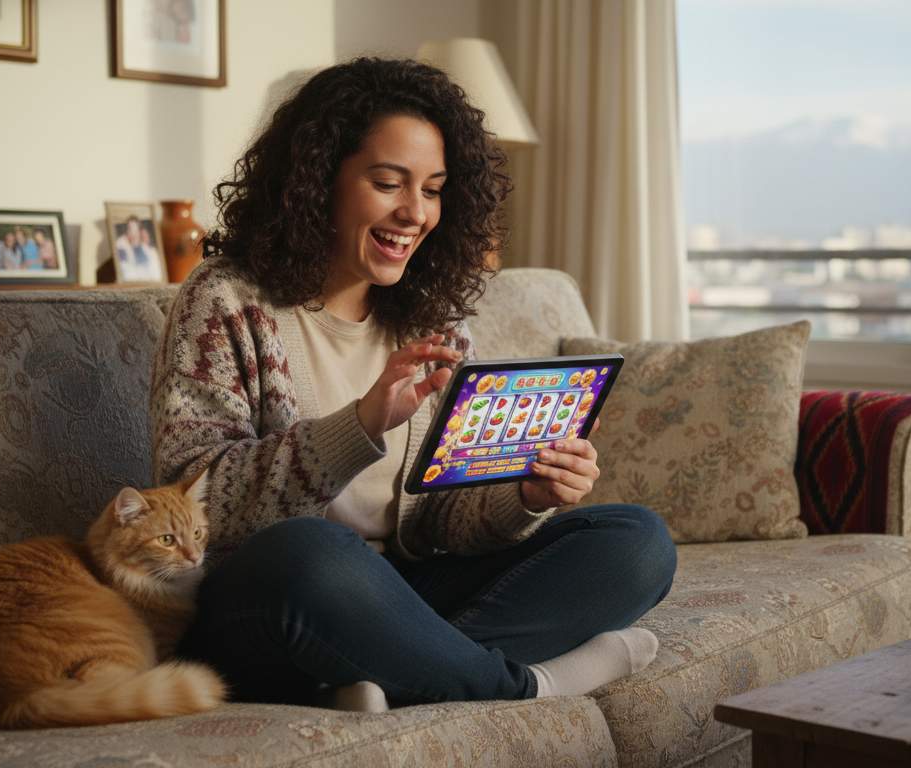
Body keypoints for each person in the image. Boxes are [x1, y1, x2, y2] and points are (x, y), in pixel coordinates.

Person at [150, 58, 676, 711]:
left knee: (636, 543)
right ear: (317, 182)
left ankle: (381, 675)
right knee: (314, 552)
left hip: (397, 591)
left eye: (433, 189)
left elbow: (440, 528)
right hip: (274, 596)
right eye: (388, 182)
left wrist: (526, 495)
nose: (415, 212)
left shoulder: (431, 317)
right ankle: (522, 684)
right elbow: (195, 503)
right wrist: (361, 424)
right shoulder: (227, 298)